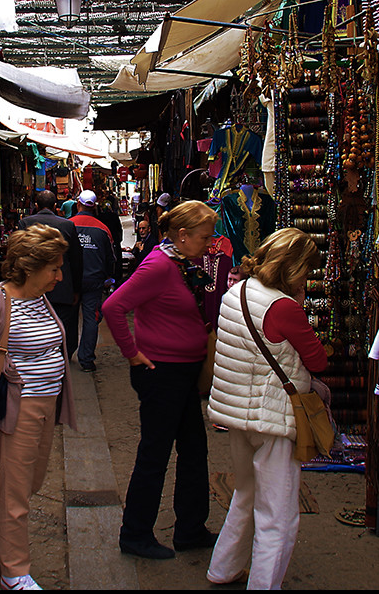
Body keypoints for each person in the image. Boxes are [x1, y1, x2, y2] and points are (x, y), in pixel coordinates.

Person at [205, 228, 329, 589]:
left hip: (236, 413)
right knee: (278, 514)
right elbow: (317, 360)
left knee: (246, 492)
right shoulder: (284, 307)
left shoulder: (236, 291)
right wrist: (300, 303)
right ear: (293, 268)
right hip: (272, 417)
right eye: (306, 271)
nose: (307, 278)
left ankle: (223, 568)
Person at [101, 200, 220, 560]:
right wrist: (131, 352)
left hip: (182, 371)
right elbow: (113, 307)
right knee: (155, 454)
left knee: (194, 451)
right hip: (162, 373)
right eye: (204, 237)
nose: (209, 243)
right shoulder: (158, 265)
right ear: (182, 236)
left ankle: (190, 528)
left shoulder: (179, 262)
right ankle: (135, 534)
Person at [0, 224, 78, 591]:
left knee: (29, 482)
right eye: (54, 269)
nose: (59, 277)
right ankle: (14, 571)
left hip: (46, 403)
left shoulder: (38, 297)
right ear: (31, 266)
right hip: (18, 408)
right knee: (17, 493)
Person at [18, 189, 84, 359]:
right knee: (61, 326)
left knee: (33, 324)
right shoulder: (67, 225)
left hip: (32, 287)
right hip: (61, 287)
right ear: (55, 206)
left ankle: (37, 357)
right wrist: (76, 289)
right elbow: (76, 260)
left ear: (36, 205)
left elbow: (18, 257)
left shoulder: (25, 224)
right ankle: (60, 359)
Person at [69, 189, 115, 372]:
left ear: (78, 204)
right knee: (91, 319)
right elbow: (111, 258)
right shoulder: (103, 229)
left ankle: (66, 352)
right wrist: (109, 279)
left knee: (69, 318)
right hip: (94, 281)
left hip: (72, 282)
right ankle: (86, 359)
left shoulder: (68, 225)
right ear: (94, 207)